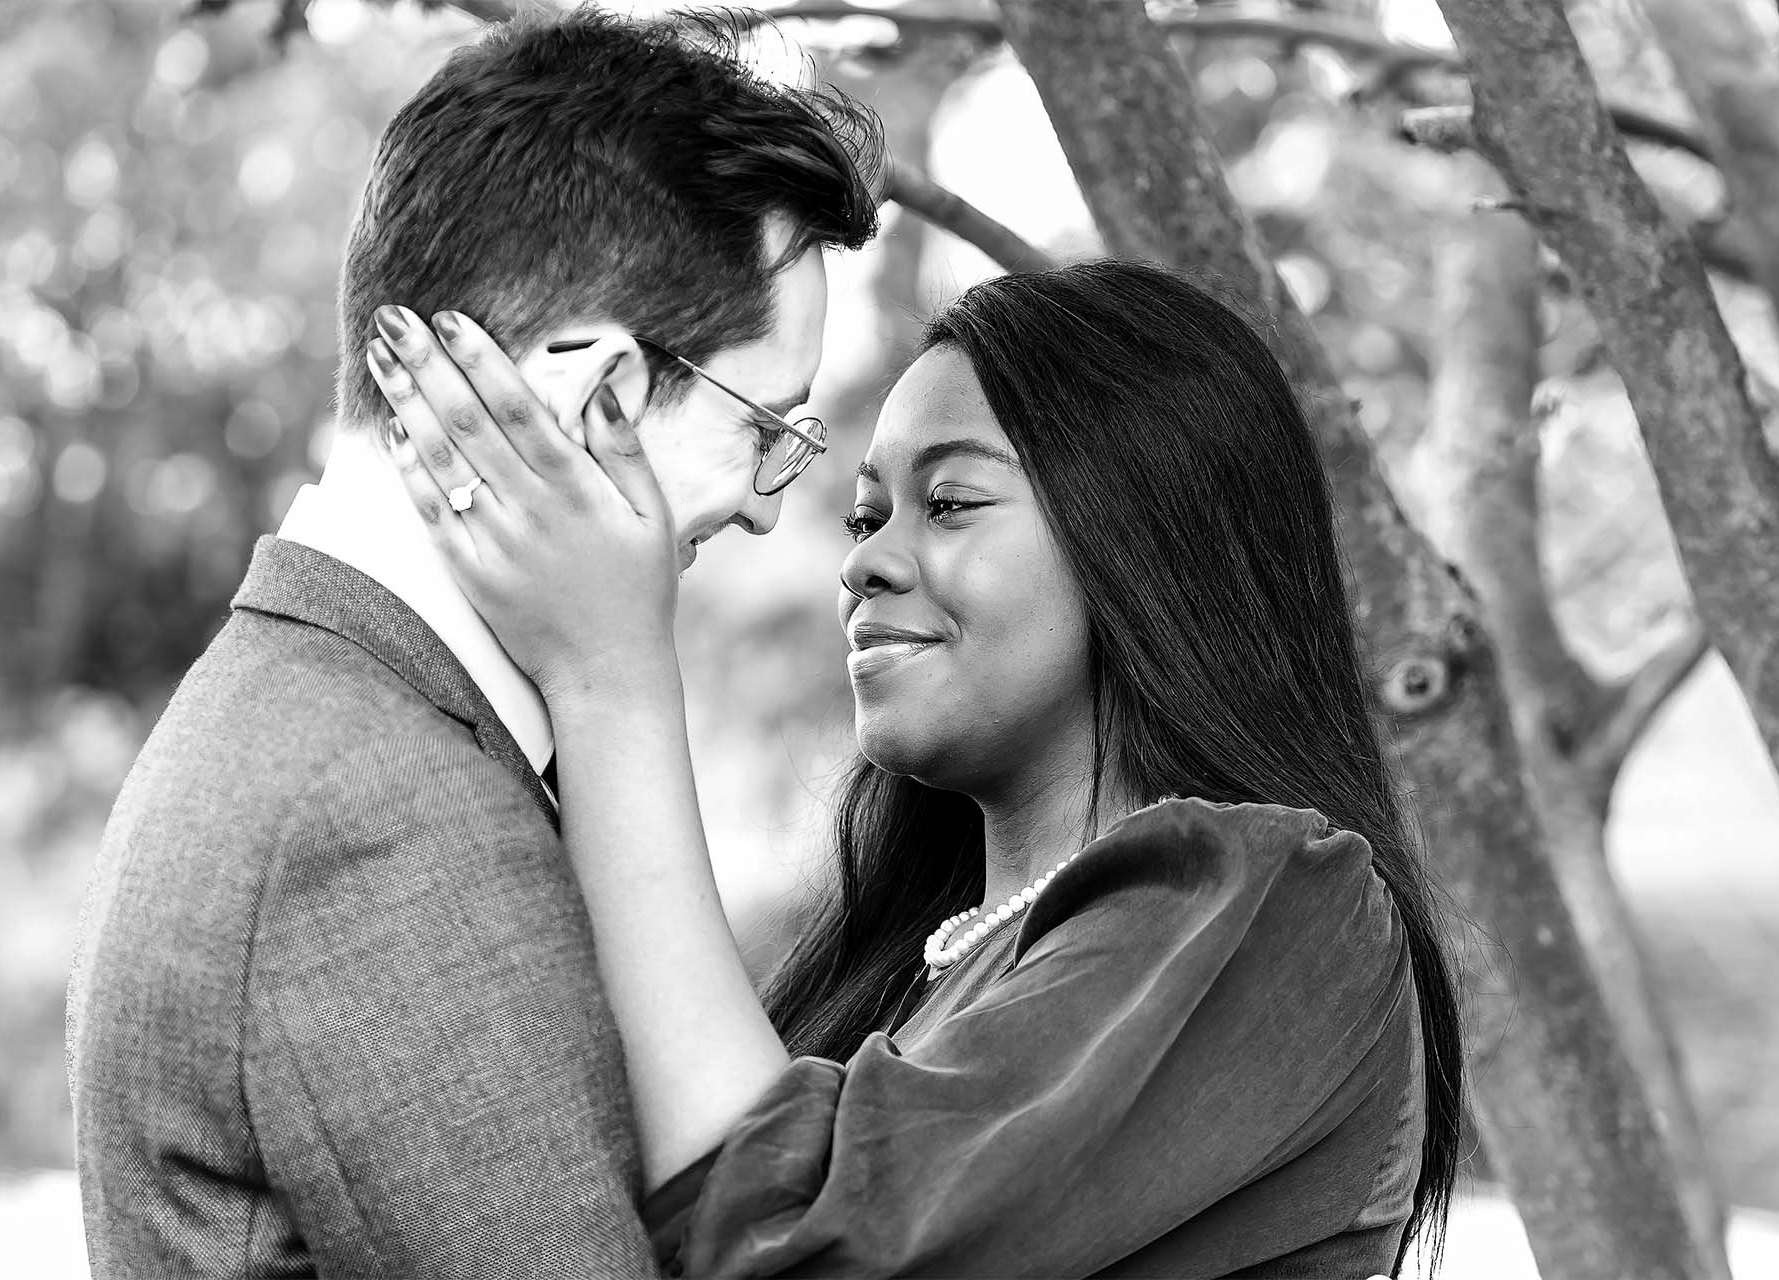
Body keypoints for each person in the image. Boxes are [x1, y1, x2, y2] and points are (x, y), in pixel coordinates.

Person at [366, 258, 1466, 1278]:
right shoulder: (899, 970)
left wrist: (612, 675)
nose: (863, 561)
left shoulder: (1276, 906)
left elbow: (810, 1239)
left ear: (1150, 533)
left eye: (947, 502)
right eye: (865, 514)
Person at [64, 9, 878, 1276]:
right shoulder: (378, 808)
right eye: (767, 424)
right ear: (599, 397)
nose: (774, 500)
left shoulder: (320, 701)